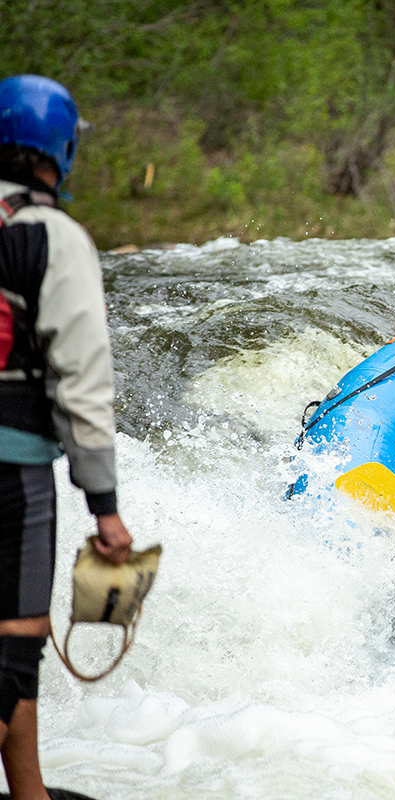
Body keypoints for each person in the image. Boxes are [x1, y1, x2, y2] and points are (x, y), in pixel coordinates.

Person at [1, 74, 134, 800]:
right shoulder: (53, 238)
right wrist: (104, 507)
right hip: (11, 473)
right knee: (14, 653)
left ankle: (30, 790)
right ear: (62, 150)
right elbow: (83, 382)